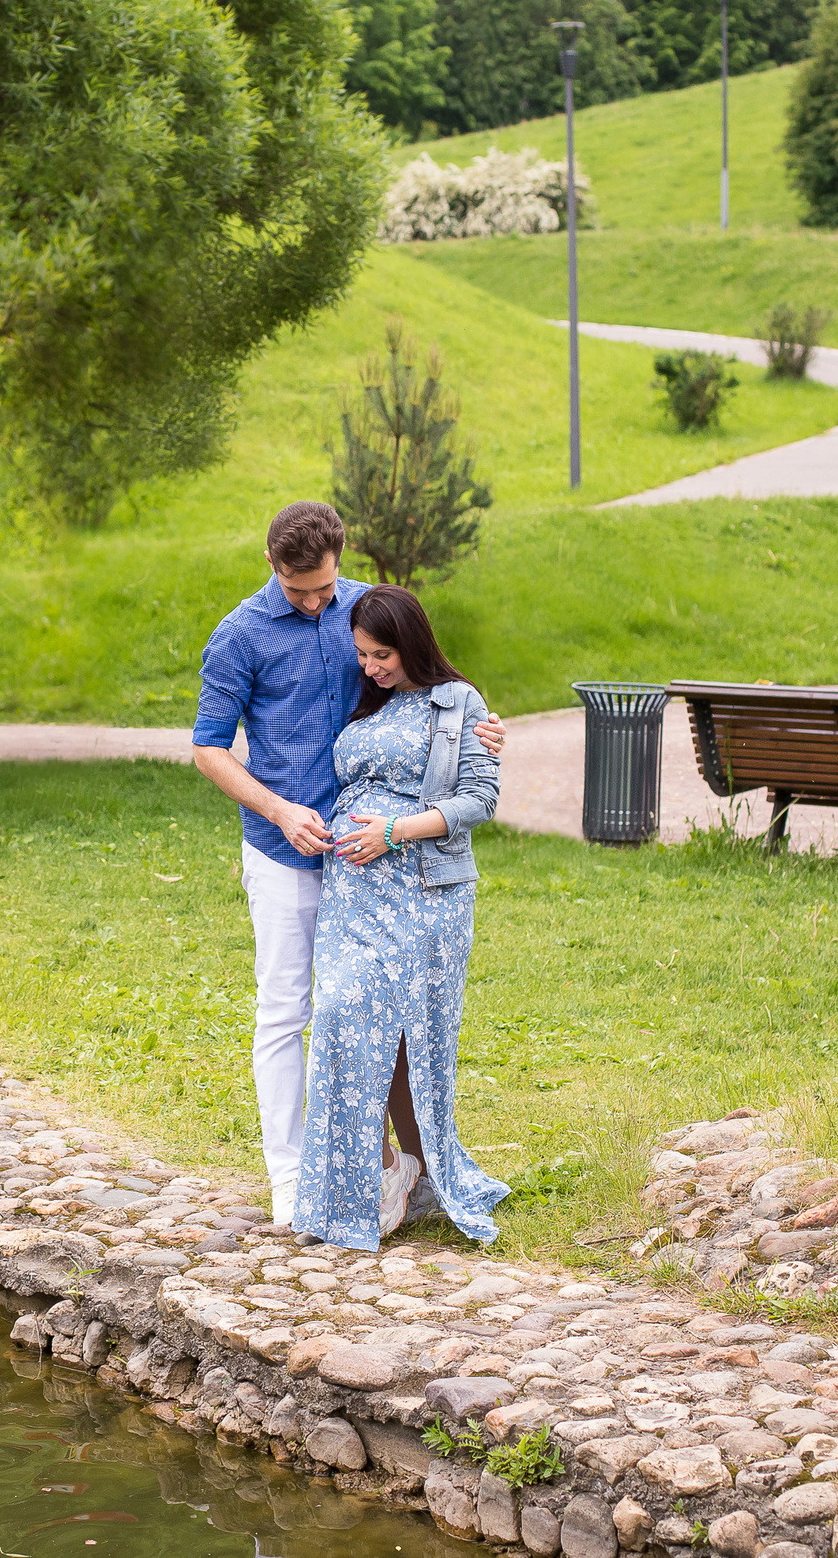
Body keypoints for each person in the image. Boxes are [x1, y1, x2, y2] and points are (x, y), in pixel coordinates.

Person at [192, 503, 502, 1224]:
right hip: (283, 850)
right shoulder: (239, 635)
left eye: (324, 587)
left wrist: (482, 727)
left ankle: (395, 1172)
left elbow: (425, 687)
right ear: (273, 564)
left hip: (374, 866)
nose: (316, 602)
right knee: (288, 1010)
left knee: (365, 1014)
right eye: (300, 590)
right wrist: (278, 810)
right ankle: (292, 1179)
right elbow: (209, 747)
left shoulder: (358, 606)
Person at [293, 583, 508, 1249]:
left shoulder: (460, 704)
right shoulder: (369, 702)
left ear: (411, 642)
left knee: (413, 1038)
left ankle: (419, 1170)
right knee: (339, 1019)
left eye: (381, 653)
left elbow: (479, 799)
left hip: (422, 894)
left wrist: (394, 830)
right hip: (353, 899)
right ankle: (372, 1176)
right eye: (361, 654)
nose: (370, 667)